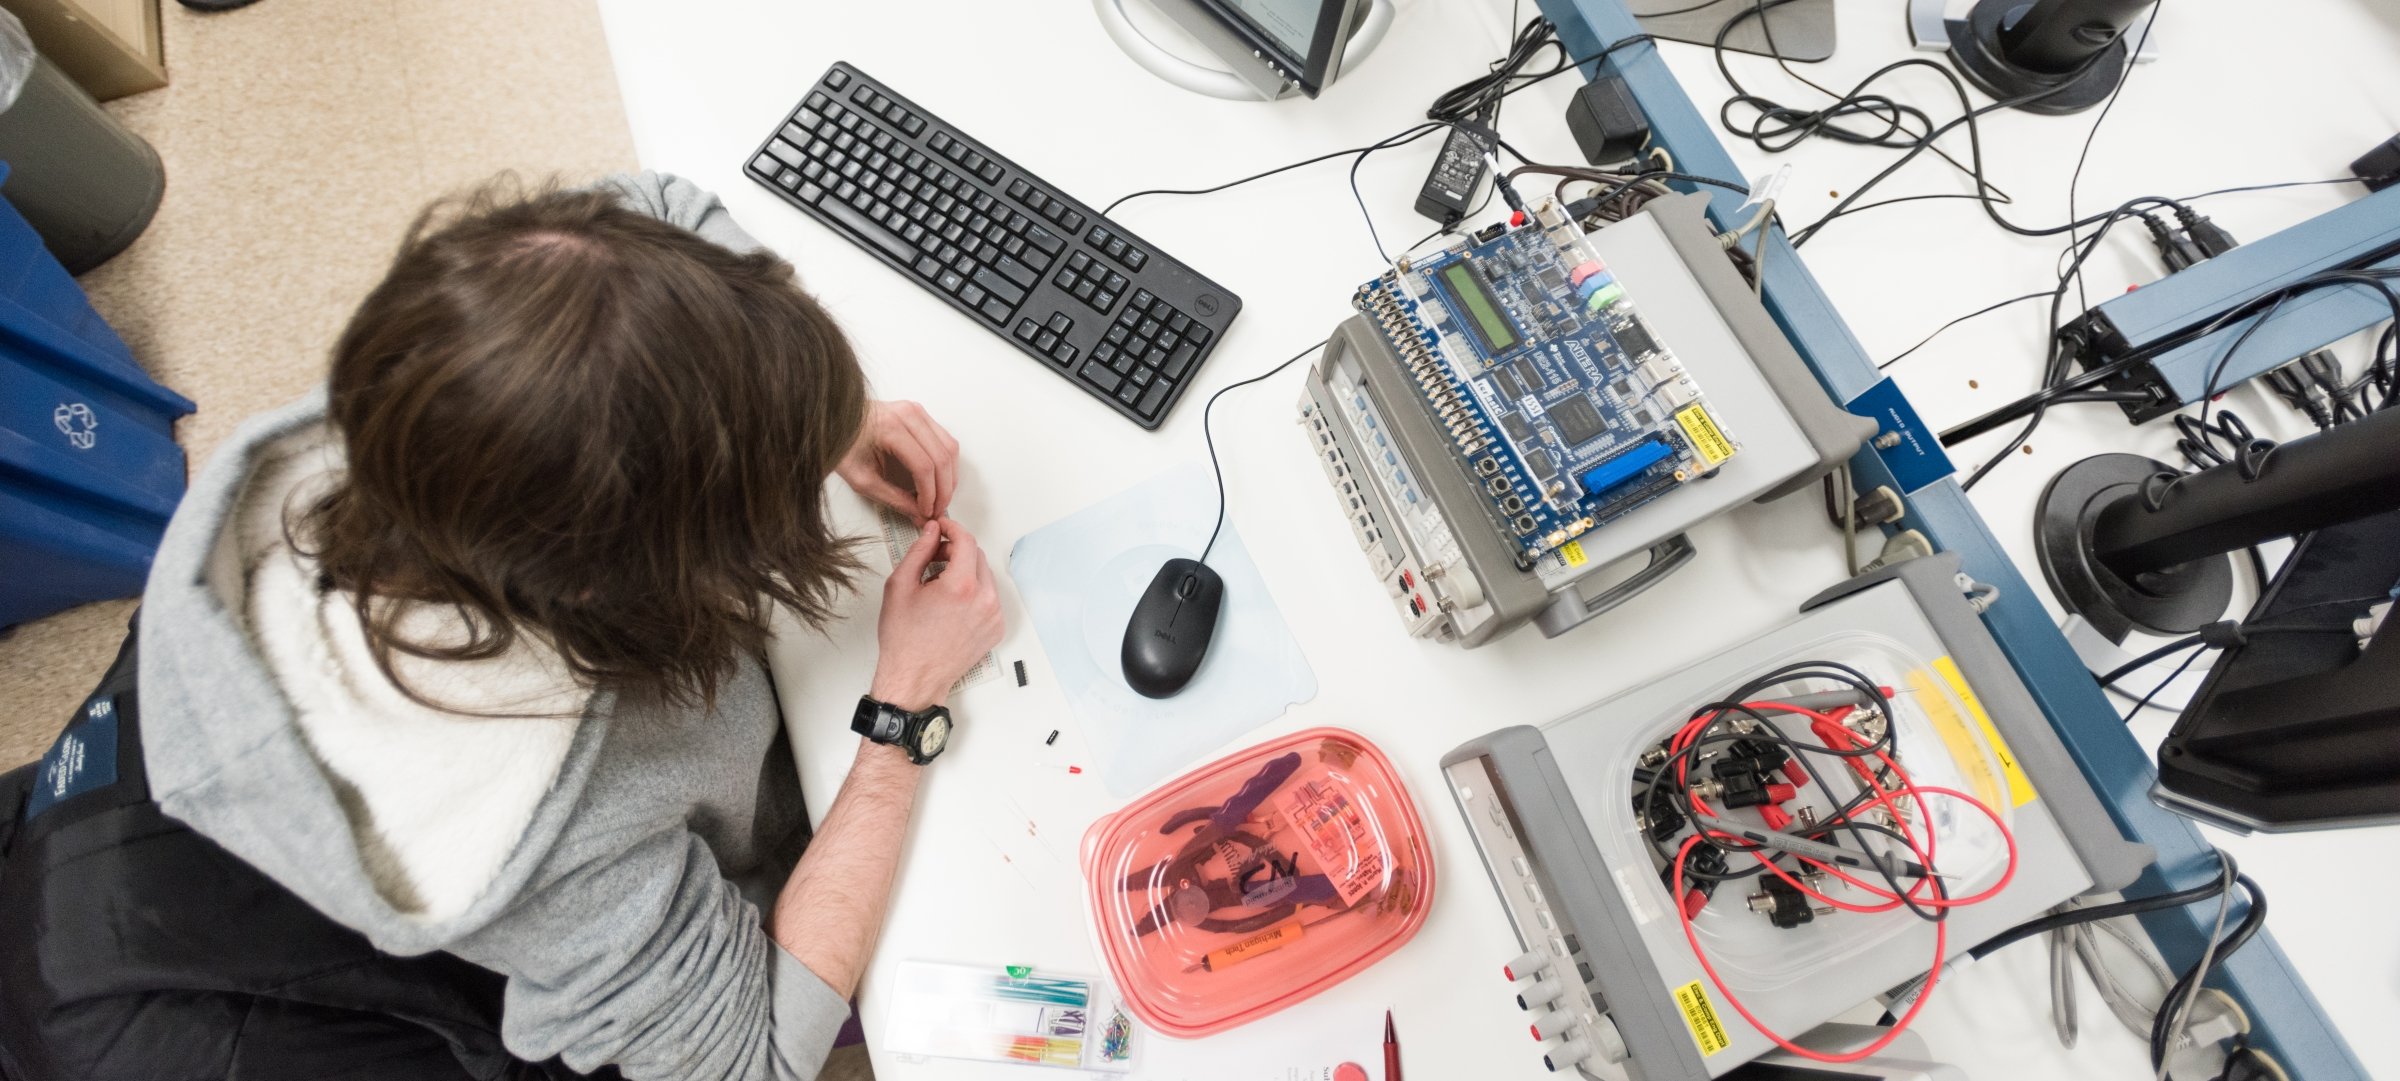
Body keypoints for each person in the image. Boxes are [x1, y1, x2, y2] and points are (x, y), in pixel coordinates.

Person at [0, 173, 1002, 1080]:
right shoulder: (539, 823)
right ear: (649, 584)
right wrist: (901, 714)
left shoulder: (455, 378)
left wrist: (817, 410)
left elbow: (660, 208)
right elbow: (759, 1056)